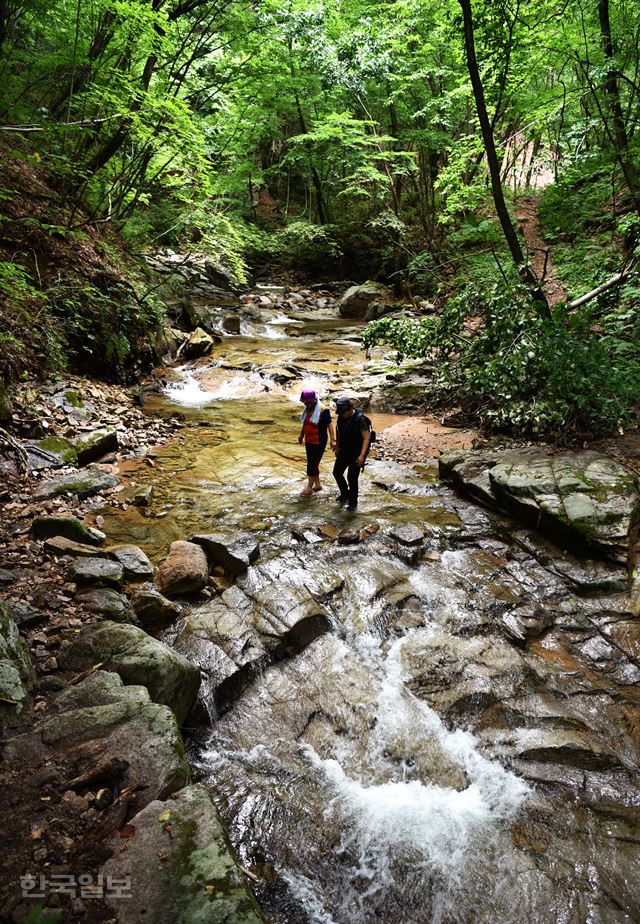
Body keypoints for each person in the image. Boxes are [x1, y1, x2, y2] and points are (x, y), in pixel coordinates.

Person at [333, 396, 370, 510]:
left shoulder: (361, 419)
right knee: (337, 472)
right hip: (344, 450)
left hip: (357, 452)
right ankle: (345, 494)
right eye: (340, 413)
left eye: (343, 412)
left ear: (350, 409)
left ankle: (353, 503)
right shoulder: (341, 417)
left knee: (352, 477)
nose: (341, 415)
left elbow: (366, 439)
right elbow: (339, 432)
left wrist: (362, 456)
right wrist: (337, 446)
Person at [297, 389, 335, 496]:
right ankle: (317, 485)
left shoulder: (323, 410)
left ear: (313, 400)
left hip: (319, 441)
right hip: (309, 441)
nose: (306, 404)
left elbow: (330, 426)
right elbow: (305, 422)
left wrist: (333, 440)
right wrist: (301, 435)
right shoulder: (308, 408)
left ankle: (309, 488)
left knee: (312, 464)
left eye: (307, 402)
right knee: (313, 462)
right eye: (304, 402)